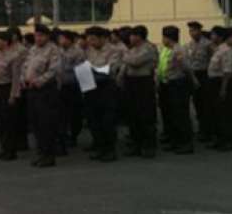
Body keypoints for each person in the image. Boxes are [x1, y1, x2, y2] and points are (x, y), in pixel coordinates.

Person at [21, 24, 61, 167]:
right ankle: (40, 153)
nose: (38, 38)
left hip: (46, 91)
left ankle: (49, 155)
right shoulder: (33, 49)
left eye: (41, 35)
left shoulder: (53, 50)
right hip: (31, 90)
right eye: (36, 35)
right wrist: (24, 80)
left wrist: (37, 82)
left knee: (46, 124)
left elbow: (53, 71)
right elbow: (25, 66)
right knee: (36, 123)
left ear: (47, 36)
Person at [84, 27, 121, 162]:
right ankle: (100, 148)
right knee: (94, 120)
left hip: (106, 88)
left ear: (102, 38)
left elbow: (109, 70)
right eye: (89, 39)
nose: (90, 42)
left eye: (93, 38)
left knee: (107, 121)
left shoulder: (113, 50)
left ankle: (110, 150)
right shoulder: (90, 51)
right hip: (91, 88)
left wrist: (93, 71)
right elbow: (86, 67)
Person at [120, 25, 158, 158]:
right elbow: (126, 65)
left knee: (145, 115)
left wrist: (125, 56)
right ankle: (136, 144)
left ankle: (148, 146)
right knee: (133, 115)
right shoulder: (132, 49)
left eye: (132, 35)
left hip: (143, 83)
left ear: (138, 36)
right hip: (131, 83)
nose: (129, 38)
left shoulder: (148, 48)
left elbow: (135, 62)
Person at [158, 25, 197, 154]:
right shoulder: (168, 49)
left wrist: (193, 80)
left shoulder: (178, 50)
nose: (162, 39)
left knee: (181, 115)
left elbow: (186, 68)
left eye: (163, 37)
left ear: (168, 38)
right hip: (169, 84)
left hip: (178, 84)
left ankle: (186, 143)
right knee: (173, 115)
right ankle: (176, 141)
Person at [0, 30, 23, 161]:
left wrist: (13, 95)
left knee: (9, 121)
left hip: (7, 89)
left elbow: (16, 77)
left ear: (6, 42)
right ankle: (4, 148)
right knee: (0, 121)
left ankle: (11, 150)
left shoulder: (14, 56)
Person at [206, 27, 232, 151]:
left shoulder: (225, 50)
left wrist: (223, 89)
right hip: (213, 82)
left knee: (224, 113)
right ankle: (218, 139)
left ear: (220, 37)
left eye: (213, 35)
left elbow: (227, 72)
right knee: (215, 113)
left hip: (221, 83)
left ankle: (227, 141)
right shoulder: (217, 50)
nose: (211, 37)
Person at [56, 29, 84, 152]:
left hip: (74, 86)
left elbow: (80, 70)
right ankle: (64, 136)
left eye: (62, 38)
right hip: (61, 86)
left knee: (75, 114)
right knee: (62, 114)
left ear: (69, 39)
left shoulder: (78, 52)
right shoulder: (59, 51)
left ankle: (74, 135)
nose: (60, 41)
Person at [186, 21, 213, 142]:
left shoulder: (207, 44)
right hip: (193, 75)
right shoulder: (189, 45)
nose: (192, 33)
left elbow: (212, 60)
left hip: (205, 74)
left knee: (206, 104)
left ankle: (208, 130)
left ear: (200, 31)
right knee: (197, 103)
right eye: (190, 30)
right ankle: (202, 129)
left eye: (194, 30)